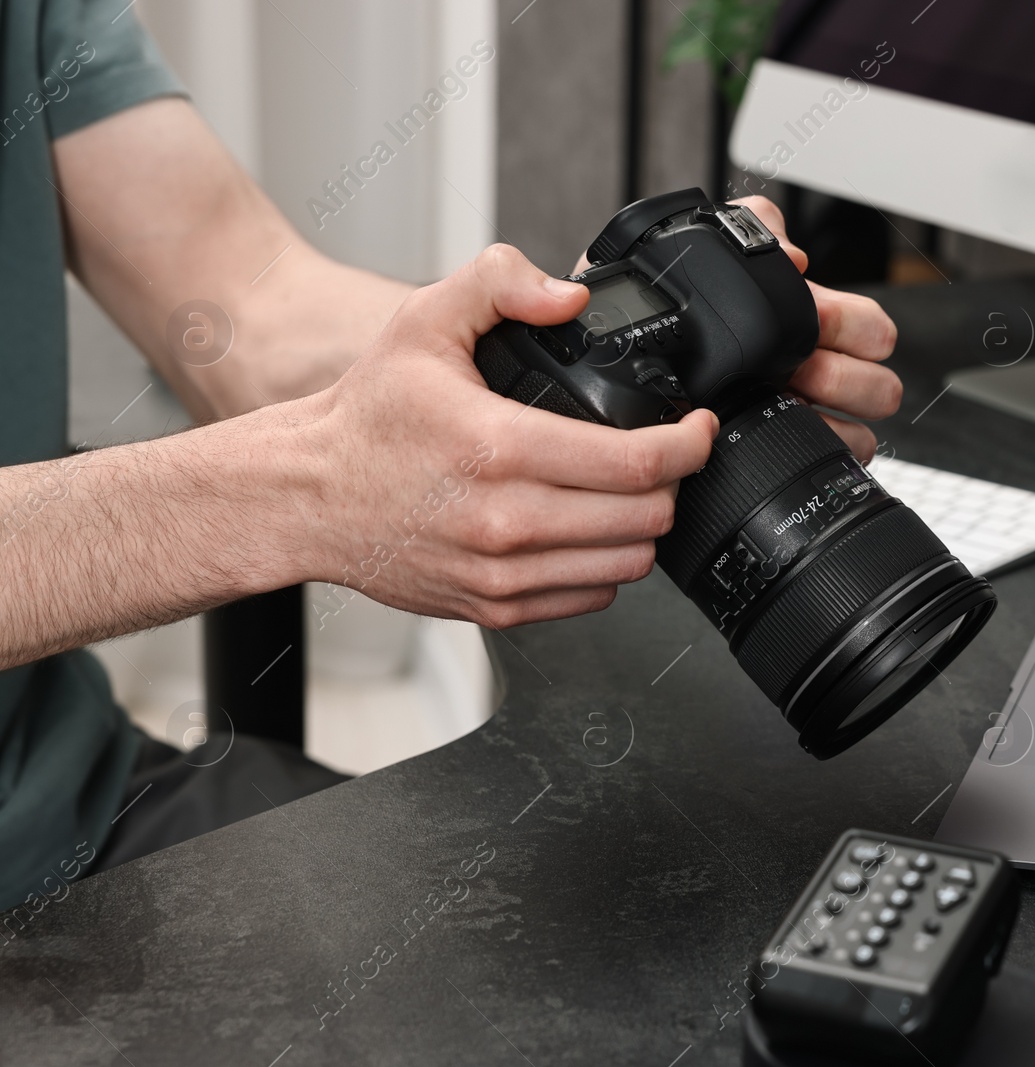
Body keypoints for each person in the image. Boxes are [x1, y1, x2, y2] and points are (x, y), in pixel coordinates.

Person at [0, 0, 900, 912]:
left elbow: (246, 310)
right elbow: (299, 450)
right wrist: (312, 487)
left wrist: (555, 352)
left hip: (76, 801)